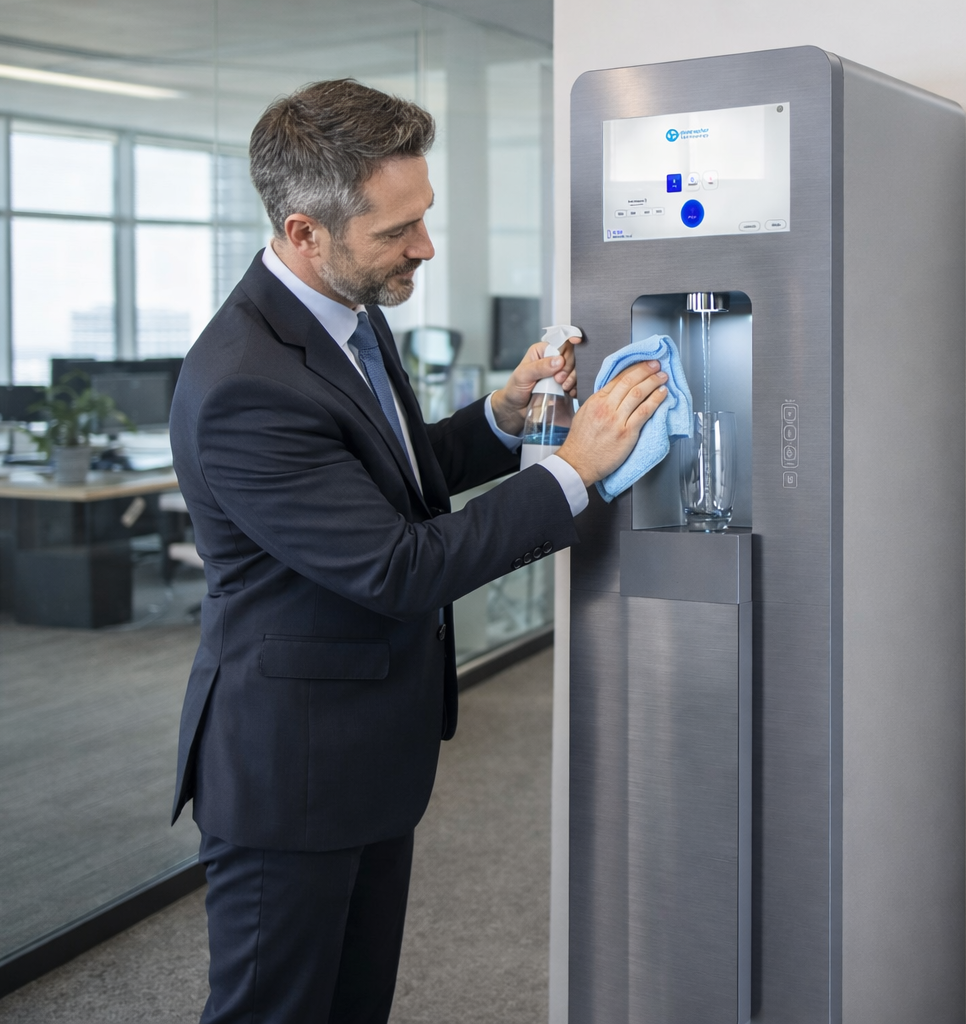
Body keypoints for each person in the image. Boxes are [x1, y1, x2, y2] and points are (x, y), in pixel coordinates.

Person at [167, 79, 668, 1024]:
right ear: (306, 232)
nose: (425, 248)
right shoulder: (245, 384)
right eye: (397, 231)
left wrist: (504, 414)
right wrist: (572, 469)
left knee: (354, 1006)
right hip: (290, 771)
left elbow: (390, 475)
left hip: (365, 752)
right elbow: (397, 566)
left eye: (423, 216)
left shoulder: (346, 315)